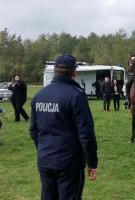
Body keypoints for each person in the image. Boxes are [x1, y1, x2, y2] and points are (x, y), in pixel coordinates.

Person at [29, 54, 98, 200]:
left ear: (55, 70)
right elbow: (86, 133)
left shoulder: (39, 95)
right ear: (74, 72)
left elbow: (34, 131)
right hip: (69, 163)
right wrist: (92, 163)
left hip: (46, 160)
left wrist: (44, 150)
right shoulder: (76, 96)